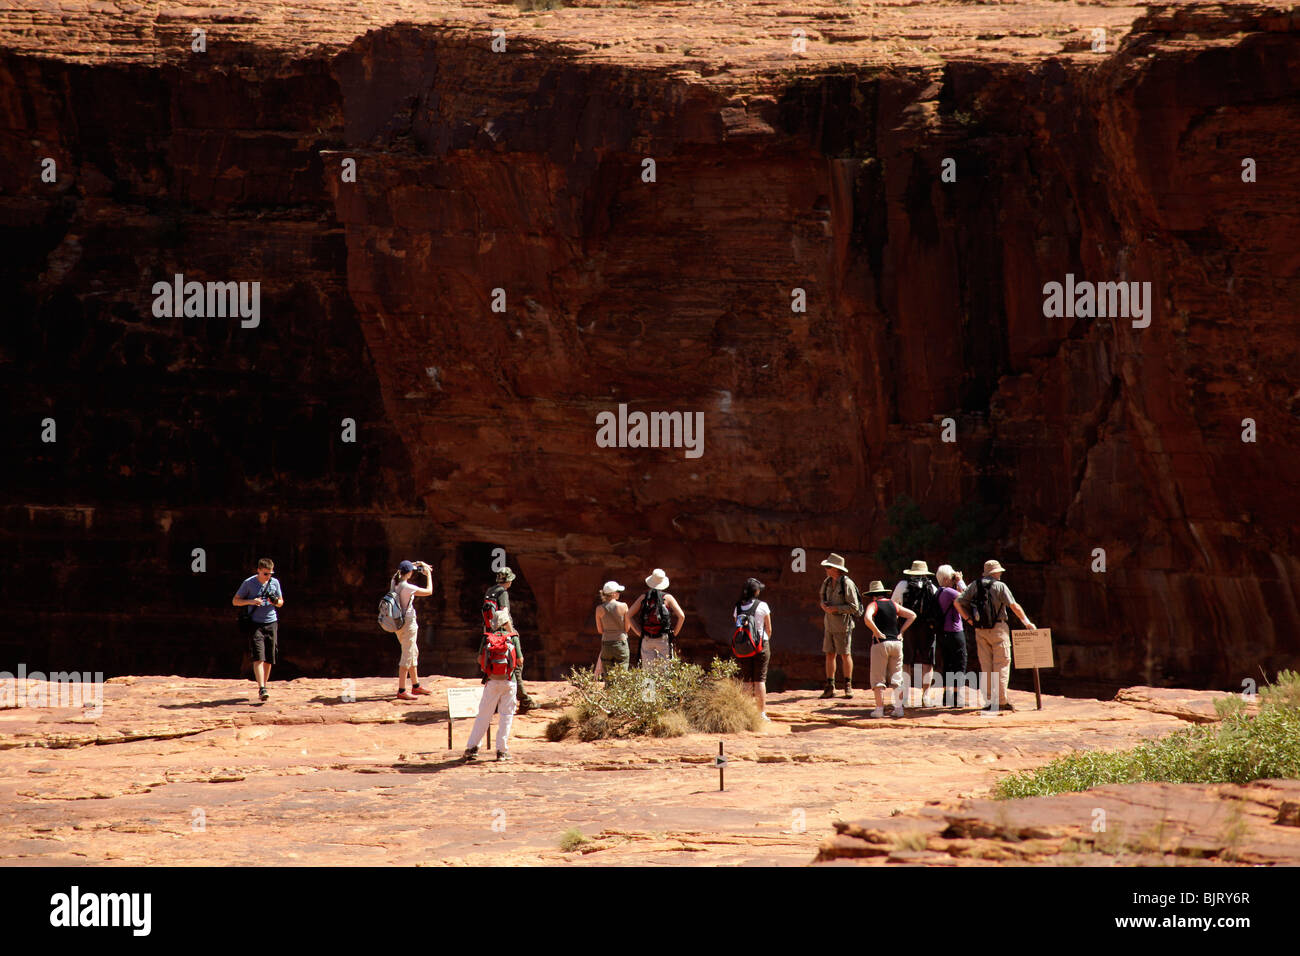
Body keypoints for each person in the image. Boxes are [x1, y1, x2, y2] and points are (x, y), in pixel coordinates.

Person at [955, 559, 1037, 713]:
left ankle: (988, 701)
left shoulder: (975, 585)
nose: (1000, 574)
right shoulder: (1000, 586)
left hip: (980, 630)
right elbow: (1014, 606)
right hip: (999, 628)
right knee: (1002, 664)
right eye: (999, 572)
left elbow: (958, 602)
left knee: (986, 666)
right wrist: (1027, 622)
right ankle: (1001, 701)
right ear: (996, 573)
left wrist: (969, 621)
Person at [463, 625, 524, 763]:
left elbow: (480, 659)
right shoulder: (513, 637)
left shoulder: (487, 637)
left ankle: (472, 748)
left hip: (492, 681)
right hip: (509, 681)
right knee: (506, 716)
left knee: (484, 715)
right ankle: (501, 751)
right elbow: (520, 660)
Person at [484, 568, 538, 713]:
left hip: (490, 632)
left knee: (493, 667)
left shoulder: (490, 591)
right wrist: (512, 634)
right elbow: (503, 614)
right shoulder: (503, 593)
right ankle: (525, 701)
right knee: (515, 667)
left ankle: (494, 702)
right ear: (508, 580)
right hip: (503, 633)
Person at [862, 580, 916, 718]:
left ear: (873, 595)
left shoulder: (873, 604)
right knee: (897, 677)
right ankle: (898, 709)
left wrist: (876, 632)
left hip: (881, 644)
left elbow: (867, 618)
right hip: (896, 643)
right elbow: (912, 615)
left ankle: (879, 709)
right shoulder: (893, 604)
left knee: (878, 677)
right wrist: (901, 632)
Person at [232, 558, 284, 702]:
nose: (268, 576)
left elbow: (281, 602)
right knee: (258, 656)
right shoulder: (249, 583)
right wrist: (251, 601)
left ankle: (264, 685)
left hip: (271, 622)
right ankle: (261, 688)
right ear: (259, 570)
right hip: (255, 624)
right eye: (266, 573)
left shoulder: (275, 583)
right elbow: (235, 601)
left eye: (270, 574)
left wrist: (275, 601)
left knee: (269, 658)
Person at [894, 560, 940, 707]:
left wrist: (897, 628)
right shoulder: (932, 587)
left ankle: (905, 696)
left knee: (906, 661)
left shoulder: (902, 585)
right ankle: (926, 696)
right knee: (928, 662)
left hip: (907, 627)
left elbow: (895, 605)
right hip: (927, 628)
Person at [818, 553, 861, 699]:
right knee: (829, 654)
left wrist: (836, 609)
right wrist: (823, 605)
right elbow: (822, 598)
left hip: (843, 626)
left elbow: (854, 607)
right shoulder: (827, 582)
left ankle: (848, 686)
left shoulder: (846, 583)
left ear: (836, 569)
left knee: (845, 654)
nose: (826, 569)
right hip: (829, 624)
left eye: (828, 567)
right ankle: (830, 686)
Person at [390, 560, 434, 701]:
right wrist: (428, 575)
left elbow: (401, 569)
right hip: (408, 624)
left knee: (412, 651)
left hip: (397, 623)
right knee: (407, 656)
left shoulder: (394, 581)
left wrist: (418, 563)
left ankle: (416, 686)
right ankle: (402, 690)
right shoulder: (407, 587)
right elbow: (429, 591)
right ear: (408, 573)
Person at [732, 578, 773, 721]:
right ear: (755, 591)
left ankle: (745, 713)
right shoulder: (763, 606)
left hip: (744, 647)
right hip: (761, 646)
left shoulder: (737, 607)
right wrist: (764, 640)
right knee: (760, 679)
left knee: (746, 681)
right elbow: (769, 628)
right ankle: (761, 714)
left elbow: (737, 626)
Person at [626, 569, 685, 666]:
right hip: (663, 638)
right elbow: (681, 616)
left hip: (647, 638)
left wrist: (638, 632)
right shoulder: (668, 598)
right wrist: (673, 634)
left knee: (648, 672)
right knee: (664, 671)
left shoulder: (643, 597)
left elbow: (628, 615)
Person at [934, 565, 970, 707]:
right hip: (955, 632)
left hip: (943, 633)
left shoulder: (939, 592)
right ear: (946, 578)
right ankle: (956, 698)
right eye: (952, 577)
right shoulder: (950, 592)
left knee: (947, 664)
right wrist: (960, 581)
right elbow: (967, 598)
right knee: (959, 663)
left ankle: (946, 696)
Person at [595, 581, 630, 679]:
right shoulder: (623, 606)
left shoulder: (599, 609)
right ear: (613, 594)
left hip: (606, 644)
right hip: (621, 643)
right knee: (622, 676)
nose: (619, 593)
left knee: (608, 676)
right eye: (618, 591)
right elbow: (627, 628)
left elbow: (600, 630)